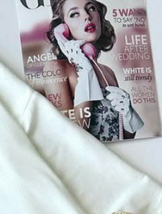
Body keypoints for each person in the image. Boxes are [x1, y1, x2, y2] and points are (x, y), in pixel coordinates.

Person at [45, 0, 144, 141]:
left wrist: (128, 113)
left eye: (91, 8)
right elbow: (67, 136)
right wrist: (84, 70)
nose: (87, 16)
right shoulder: (56, 69)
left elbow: (123, 136)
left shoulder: (108, 72)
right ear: (63, 28)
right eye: (74, 14)